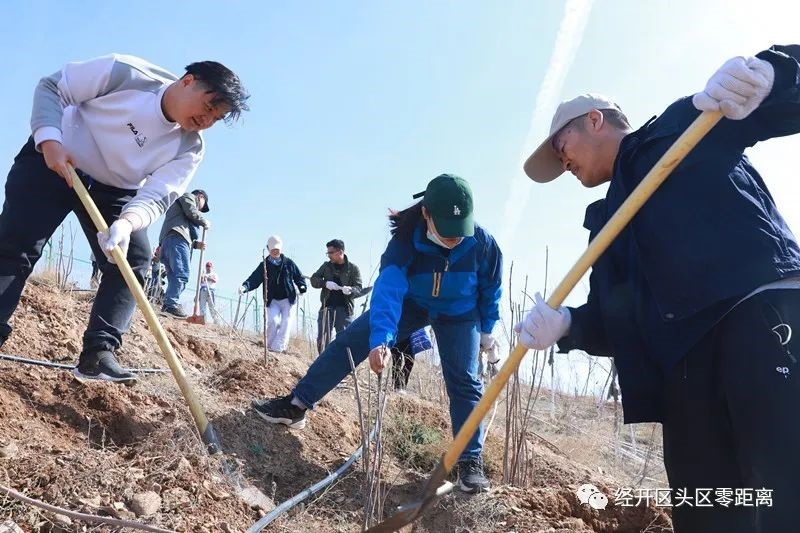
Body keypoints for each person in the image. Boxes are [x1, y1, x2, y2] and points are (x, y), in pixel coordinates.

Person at [517, 45, 800, 532]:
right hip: (684, 378)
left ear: (595, 121)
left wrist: (774, 72)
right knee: (710, 513)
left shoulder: (683, 126)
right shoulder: (605, 225)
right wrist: (567, 325)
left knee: (786, 489)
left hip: (757, 321)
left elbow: (779, 105)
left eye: (561, 148)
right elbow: (614, 321)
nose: (563, 164)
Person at [0, 54, 248, 383]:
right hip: (56, 160)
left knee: (132, 261)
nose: (206, 120)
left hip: (113, 190)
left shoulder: (190, 148)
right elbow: (52, 86)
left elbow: (158, 194)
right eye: (208, 107)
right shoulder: (126, 73)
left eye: (216, 118)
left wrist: (127, 223)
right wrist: (49, 140)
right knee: (17, 247)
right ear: (188, 81)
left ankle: (98, 353)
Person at [251, 174, 503, 493]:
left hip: (459, 311)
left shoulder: (484, 244)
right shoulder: (406, 241)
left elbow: (491, 288)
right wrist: (381, 339)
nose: (455, 240)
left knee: (465, 381)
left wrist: (486, 330)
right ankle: (297, 405)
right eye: (447, 232)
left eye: (460, 231)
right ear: (426, 214)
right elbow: (389, 291)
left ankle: (469, 462)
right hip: (412, 302)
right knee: (350, 341)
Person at [239, 235, 307, 353]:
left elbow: (298, 277)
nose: (275, 252)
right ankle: (269, 345)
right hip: (272, 299)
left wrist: (302, 287)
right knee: (273, 321)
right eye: (273, 250)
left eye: (277, 250)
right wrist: (245, 286)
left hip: (288, 299)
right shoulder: (264, 265)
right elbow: (254, 279)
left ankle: (279, 347)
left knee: (286, 322)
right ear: (268, 249)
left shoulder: (288, 263)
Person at [158, 189, 210, 318]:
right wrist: (204, 221)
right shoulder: (188, 197)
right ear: (201, 197)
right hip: (176, 240)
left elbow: (184, 226)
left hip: (170, 241)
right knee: (181, 274)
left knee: (174, 276)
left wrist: (196, 245)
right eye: (203, 205)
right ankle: (171, 305)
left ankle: (168, 305)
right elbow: (191, 212)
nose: (201, 209)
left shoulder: (181, 214)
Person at [309, 239, 363, 353]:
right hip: (327, 308)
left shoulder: (353, 269)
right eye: (328, 253)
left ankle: (343, 368)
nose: (329, 255)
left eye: (331, 253)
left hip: (345, 310)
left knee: (345, 341)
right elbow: (314, 279)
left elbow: (359, 288)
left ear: (340, 252)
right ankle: (323, 365)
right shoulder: (326, 266)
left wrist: (350, 290)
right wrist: (325, 284)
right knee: (323, 340)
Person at [391, 327, 432, 392]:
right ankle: (397, 387)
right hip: (396, 333)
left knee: (410, 361)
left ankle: (401, 385)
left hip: (410, 336)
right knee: (397, 361)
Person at [199, 260, 219, 325]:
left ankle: (216, 321)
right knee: (202, 305)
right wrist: (203, 278)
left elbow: (215, 280)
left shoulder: (214, 274)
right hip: (203, 290)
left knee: (212, 306)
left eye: (209, 266)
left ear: (212, 267)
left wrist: (208, 278)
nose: (208, 267)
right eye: (207, 266)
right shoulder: (203, 274)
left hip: (211, 290)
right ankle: (203, 320)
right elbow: (201, 283)